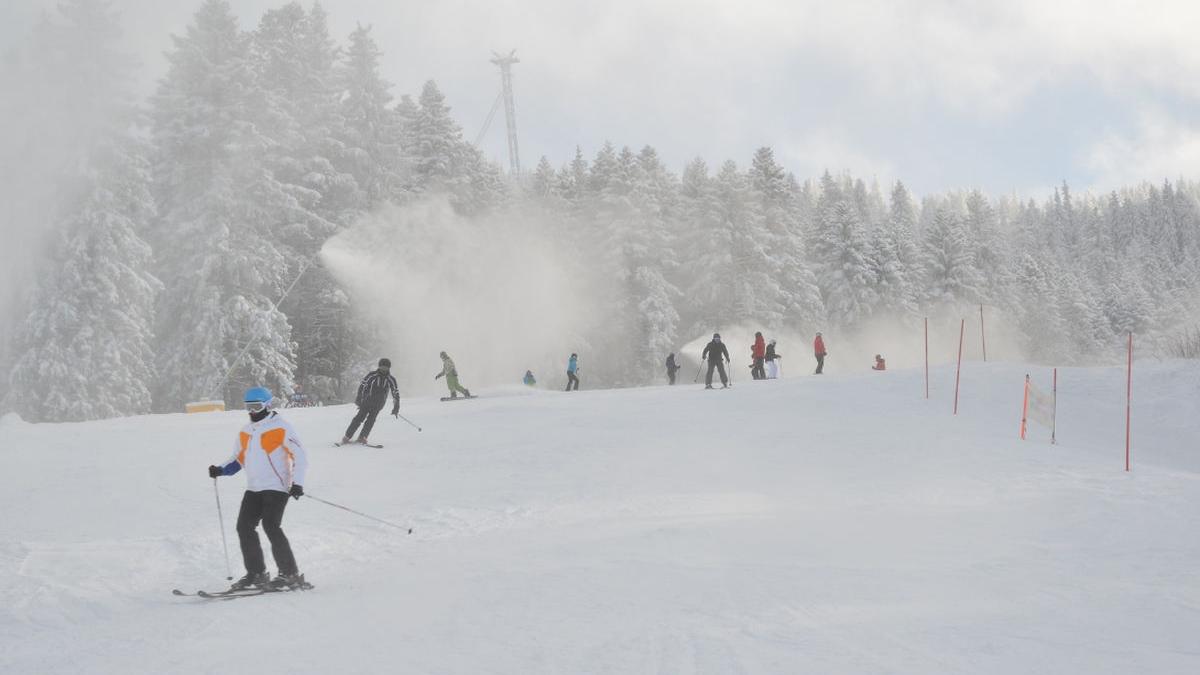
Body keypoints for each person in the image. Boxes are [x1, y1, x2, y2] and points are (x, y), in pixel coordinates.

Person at [208, 386, 309, 590]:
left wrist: (297, 483)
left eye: (256, 406)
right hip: (253, 488)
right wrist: (220, 470)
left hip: (276, 488)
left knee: (271, 526)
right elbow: (239, 459)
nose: (252, 411)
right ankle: (256, 574)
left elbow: (300, 456)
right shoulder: (246, 431)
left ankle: (289, 574)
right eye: (248, 407)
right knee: (244, 527)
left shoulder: (282, 427)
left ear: (267, 405)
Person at [341, 358, 399, 445]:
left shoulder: (391, 379)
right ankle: (347, 436)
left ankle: (363, 437)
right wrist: (359, 399)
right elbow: (362, 386)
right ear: (379, 367)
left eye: (386, 368)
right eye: (382, 367)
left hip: (378, 404)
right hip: (366, 402)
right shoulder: (372, 375)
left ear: (389, 368)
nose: (384, 370)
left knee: (370, 421)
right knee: (358, 419)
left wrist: (396, 407)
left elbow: (395, 393)